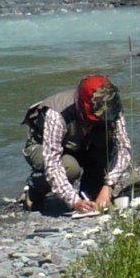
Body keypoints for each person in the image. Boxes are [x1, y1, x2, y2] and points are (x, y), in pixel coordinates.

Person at [21, 74, 131, 213]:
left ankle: (90, 191)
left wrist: (108, 186)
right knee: (70, 168)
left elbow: (124, 148)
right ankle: (34, 187)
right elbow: (52, 163)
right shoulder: (57, 113)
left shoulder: (112, 106)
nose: (102, 115)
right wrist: (74, 201)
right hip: (42, 146)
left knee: (106, 140)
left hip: (80, 143)